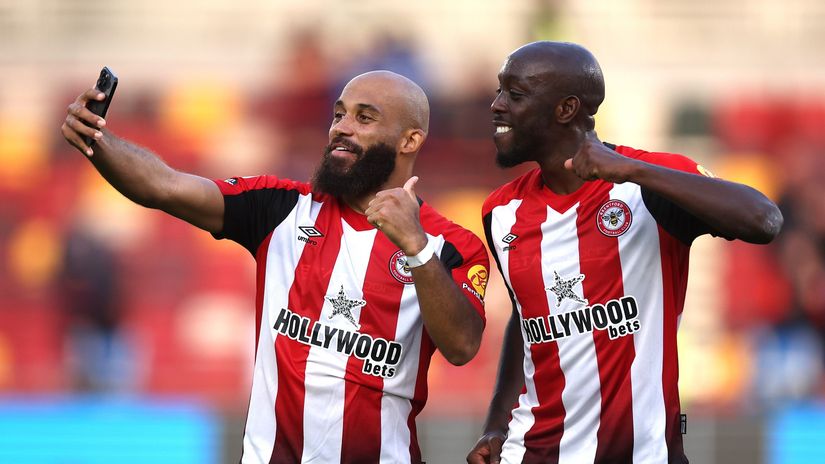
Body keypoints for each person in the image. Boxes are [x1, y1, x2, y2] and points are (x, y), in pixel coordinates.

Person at [62, 70, 489, 463]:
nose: (341, 127)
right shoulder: (280, 207)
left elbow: (462, 346)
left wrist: (415, 248)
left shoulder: (451, 245)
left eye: (364, 118)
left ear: (409, 140)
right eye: (339, 114)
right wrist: (96, 138)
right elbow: (165, 186)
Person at [466, 41, 783, 464]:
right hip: (532, 453)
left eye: (515, 94)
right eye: (499, 90)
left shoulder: (648, 184)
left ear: (566, 109)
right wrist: (496, 426)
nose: (496, 105)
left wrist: (634, 170)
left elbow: (764, 220)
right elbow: (525, 320)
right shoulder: (501, 211)